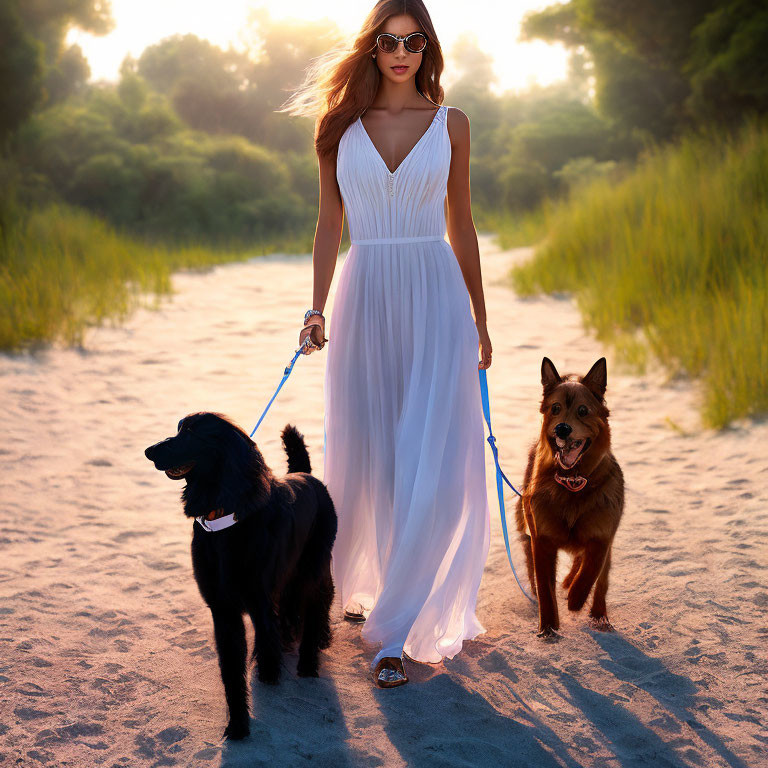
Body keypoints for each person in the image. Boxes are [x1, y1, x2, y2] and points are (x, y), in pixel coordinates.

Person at [279, 0, 492, 688]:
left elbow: (462, 223)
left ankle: (397, 631)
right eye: (390, 40)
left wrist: (481, 318)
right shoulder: (339, 128)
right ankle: (331, 593)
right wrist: (314, 309)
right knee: (366, 450)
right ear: (372, 48)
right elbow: (325, 227)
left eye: (414, 41)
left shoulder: (452, 124)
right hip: (365, 292)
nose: (402, 51)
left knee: (431, 456)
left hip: (435, 296)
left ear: (427, 48)